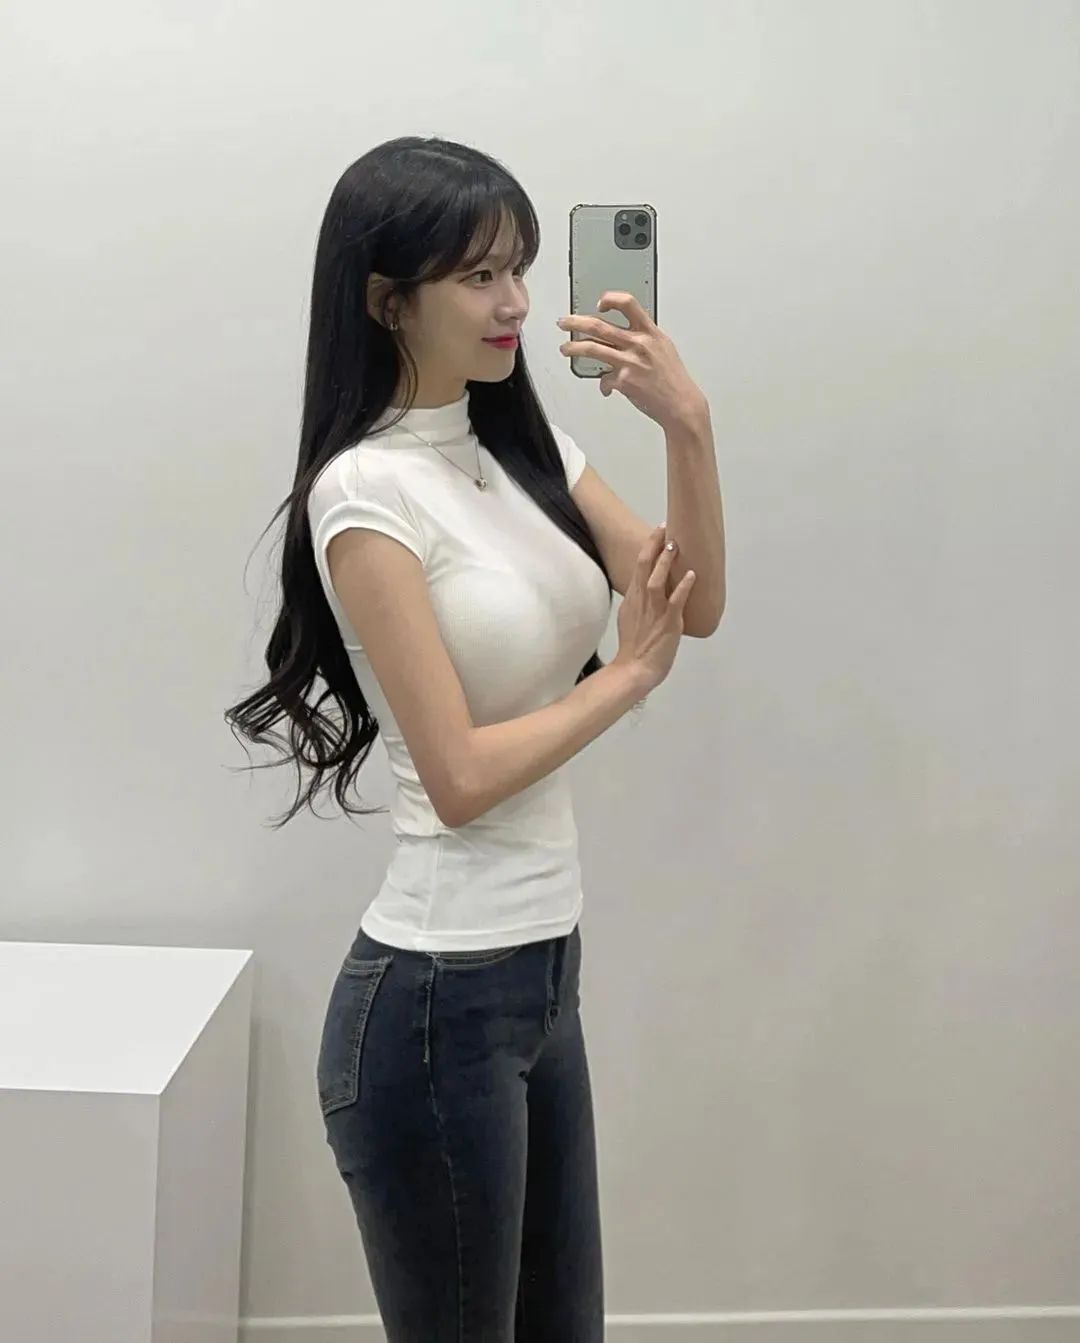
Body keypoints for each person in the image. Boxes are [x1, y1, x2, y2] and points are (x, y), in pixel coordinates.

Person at [224, 134, 712, 1342]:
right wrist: (628, 677)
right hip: (435, 998)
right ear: (387, 299)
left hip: (544, 972)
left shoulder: (531, 449)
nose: (515, 304)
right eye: (478, 275)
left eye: (520, 269)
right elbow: (457, 777)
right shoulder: (363, 493)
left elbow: (690, 602)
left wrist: (689, 427)